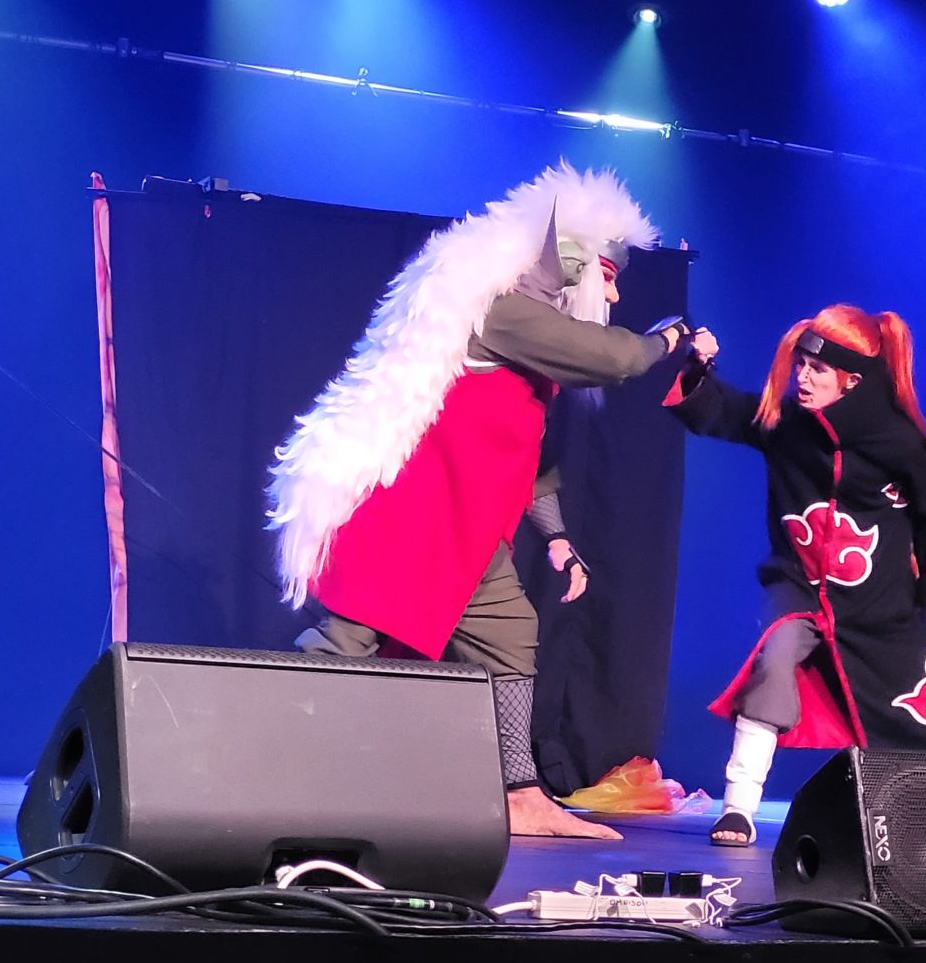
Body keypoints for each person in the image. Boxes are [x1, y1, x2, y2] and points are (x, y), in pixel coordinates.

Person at [266, 161, 687, 840]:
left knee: (510, 633)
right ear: (573, 263)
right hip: (407, 514)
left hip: (463, 529)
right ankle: (264, 765)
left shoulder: (526, 330)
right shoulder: (499, 308)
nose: (611, 295)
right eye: (607, 276)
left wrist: (556, 538)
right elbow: (617, 358)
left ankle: (520, 795)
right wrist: (670, 337)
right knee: (346, 641)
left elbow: (526, 458)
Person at [665, 305, 926, 846]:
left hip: (879, 601)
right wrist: (699, 369)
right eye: (801, 366)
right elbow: (721, 411)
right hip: (799, 586)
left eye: (818, 369)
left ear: (851, 380)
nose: (803, 378)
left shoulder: (897, 441)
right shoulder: (787, 425)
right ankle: (738, 807)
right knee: (774, 660)